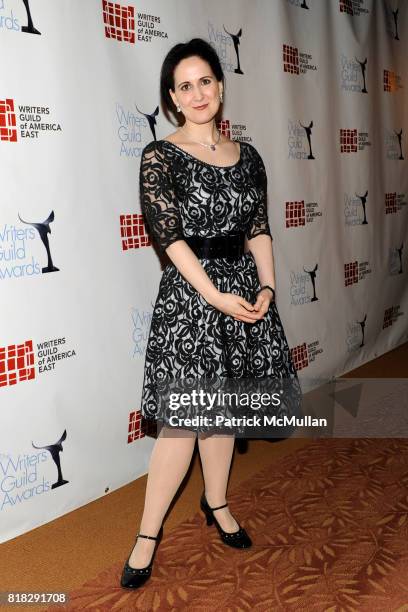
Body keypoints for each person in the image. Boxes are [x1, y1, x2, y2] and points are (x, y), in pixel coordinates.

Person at [120, 38, 300, 590]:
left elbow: (258, 228)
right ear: (172, 99)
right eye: (184, 86)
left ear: (220, 86)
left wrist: (267, 286)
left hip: (243, 293)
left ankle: (217, 502)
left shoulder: (250, 157)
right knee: (182, 424)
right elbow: (169, 237)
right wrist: (213, 295)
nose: (197, 93)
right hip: (191, 296)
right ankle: (147, 535)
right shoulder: (161, 155)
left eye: (205, 81)